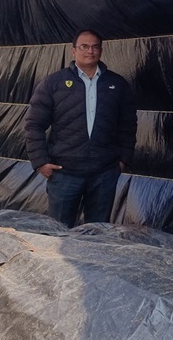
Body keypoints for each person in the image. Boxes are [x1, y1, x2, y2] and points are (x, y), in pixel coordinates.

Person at [24, 29, 137, 227]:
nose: (90, 51)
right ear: (74, 51)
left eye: (95, 47)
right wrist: (40, 162)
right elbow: (34, 124)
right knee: (59, 231)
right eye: (84, 46)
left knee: (97, 232)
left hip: (104, 174)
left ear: (101, 51)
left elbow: (128, 125)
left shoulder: (117, 84)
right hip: (64, 174)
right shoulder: (53, 83)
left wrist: (123, 161)